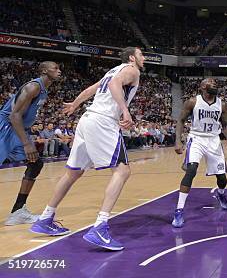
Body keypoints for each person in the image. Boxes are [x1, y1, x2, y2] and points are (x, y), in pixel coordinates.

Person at [30, 47, 144, 251]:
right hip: (103, 121)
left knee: (73, 172)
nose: (143, 57)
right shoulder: (131, 70)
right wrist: (125, 111)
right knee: (122, 170)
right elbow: (115, 84)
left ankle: (45, 218)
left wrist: (75, 103)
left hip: (87, 119)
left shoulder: (113, 70)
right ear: (131, 57)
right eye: (141, 54)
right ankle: (100, 226)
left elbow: (93, 88)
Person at [1, 61, 61, 226]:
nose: (59, 71)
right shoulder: (34, 86)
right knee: (35, 161)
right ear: (43, 70)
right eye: (55, 68)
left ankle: (18, 211)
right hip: (5, 128)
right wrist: (27, 144)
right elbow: (14, 116)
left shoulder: (43, 89)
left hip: (16, 130)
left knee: (35, 164)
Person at [172, 78, 227, 228]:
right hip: (197, 138)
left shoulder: (222, 104)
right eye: (211, 83)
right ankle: (179, 210)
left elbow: (225, 123)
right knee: (191, 170)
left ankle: (220, 193)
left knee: (222, 178)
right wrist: (178, 141)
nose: (214, 84)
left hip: (214, 141)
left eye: (215, 83)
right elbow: (180, 121)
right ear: (202, 87)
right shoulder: (193, 102)